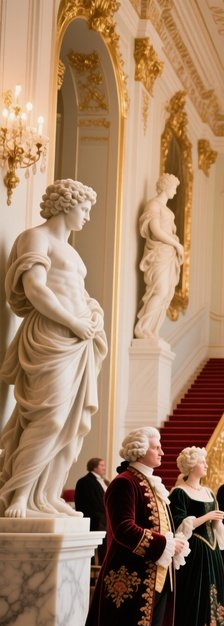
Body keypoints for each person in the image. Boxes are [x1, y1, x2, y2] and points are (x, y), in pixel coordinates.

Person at [0, 179, 107, 518]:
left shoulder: (73, 253)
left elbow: (77, 291)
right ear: (65, 204)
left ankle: (46, 495)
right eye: (85, 208)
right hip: (51, 336)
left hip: (78, 342)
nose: (88, 217)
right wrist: (73, 322)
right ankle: (18, 494)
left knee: (74, 425)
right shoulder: (36, 237)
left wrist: (91, 312)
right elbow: (35, 289)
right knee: (51, 417)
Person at [81, 428, 186, 626]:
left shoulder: (149, 482)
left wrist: (174, 541)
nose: (162, 452)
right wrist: (164, 543)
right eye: (157, 447)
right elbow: (124, 529)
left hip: (155, 574)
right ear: (140, 451)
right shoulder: (124, 483)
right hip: (128, 578)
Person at [150, 447, 224, 626]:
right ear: (190, 466)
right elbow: (178, 525)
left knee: (213, 604)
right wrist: (207, 519)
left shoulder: (208, 491)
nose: (206, 465)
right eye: (202, 462)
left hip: (211, 553)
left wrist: (217, 523)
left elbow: (217, 525)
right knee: (193, 605)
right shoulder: (179, 492)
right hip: (193, 554)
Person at [134, 174, 184, 340]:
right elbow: (155, 229)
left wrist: (175, 247)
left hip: (168, 254)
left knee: (166, 294)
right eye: (174, 188)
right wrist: (176, 244)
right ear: (166, 187)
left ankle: (151, 330)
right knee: (160, 290)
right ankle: (142, 328)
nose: (175, 192)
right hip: (159, 253)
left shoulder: (166, 209)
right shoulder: (153, 204)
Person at [74, 457, 109, 563]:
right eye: (101, 465)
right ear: (94, 467)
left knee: (104, 547)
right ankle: (94, 573)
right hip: (95, 520)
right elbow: (91, 502)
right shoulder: (85, 481)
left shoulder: (105, 481)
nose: (104, 468)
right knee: (94, 549)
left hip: (104, 519)